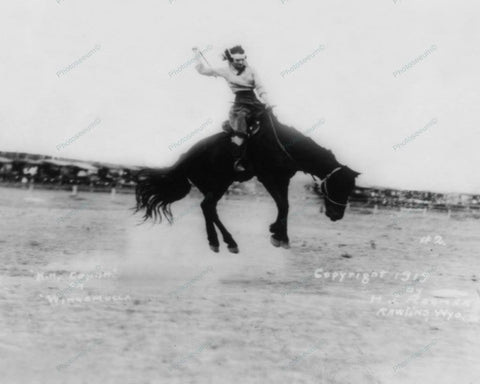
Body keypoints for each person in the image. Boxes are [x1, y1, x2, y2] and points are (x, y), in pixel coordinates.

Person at [193, 45, 272, 172]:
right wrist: (196, 54)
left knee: (272, 121)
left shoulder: (251, 70)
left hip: (255, 102)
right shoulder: (225, 71)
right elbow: (202, 70)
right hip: (240, 104)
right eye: (237, 60)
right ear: (231, 60)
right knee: (240, 129)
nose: (240, 62)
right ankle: (238, 160)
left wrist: (267, 102)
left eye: (242, 59)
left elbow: (260, 87)